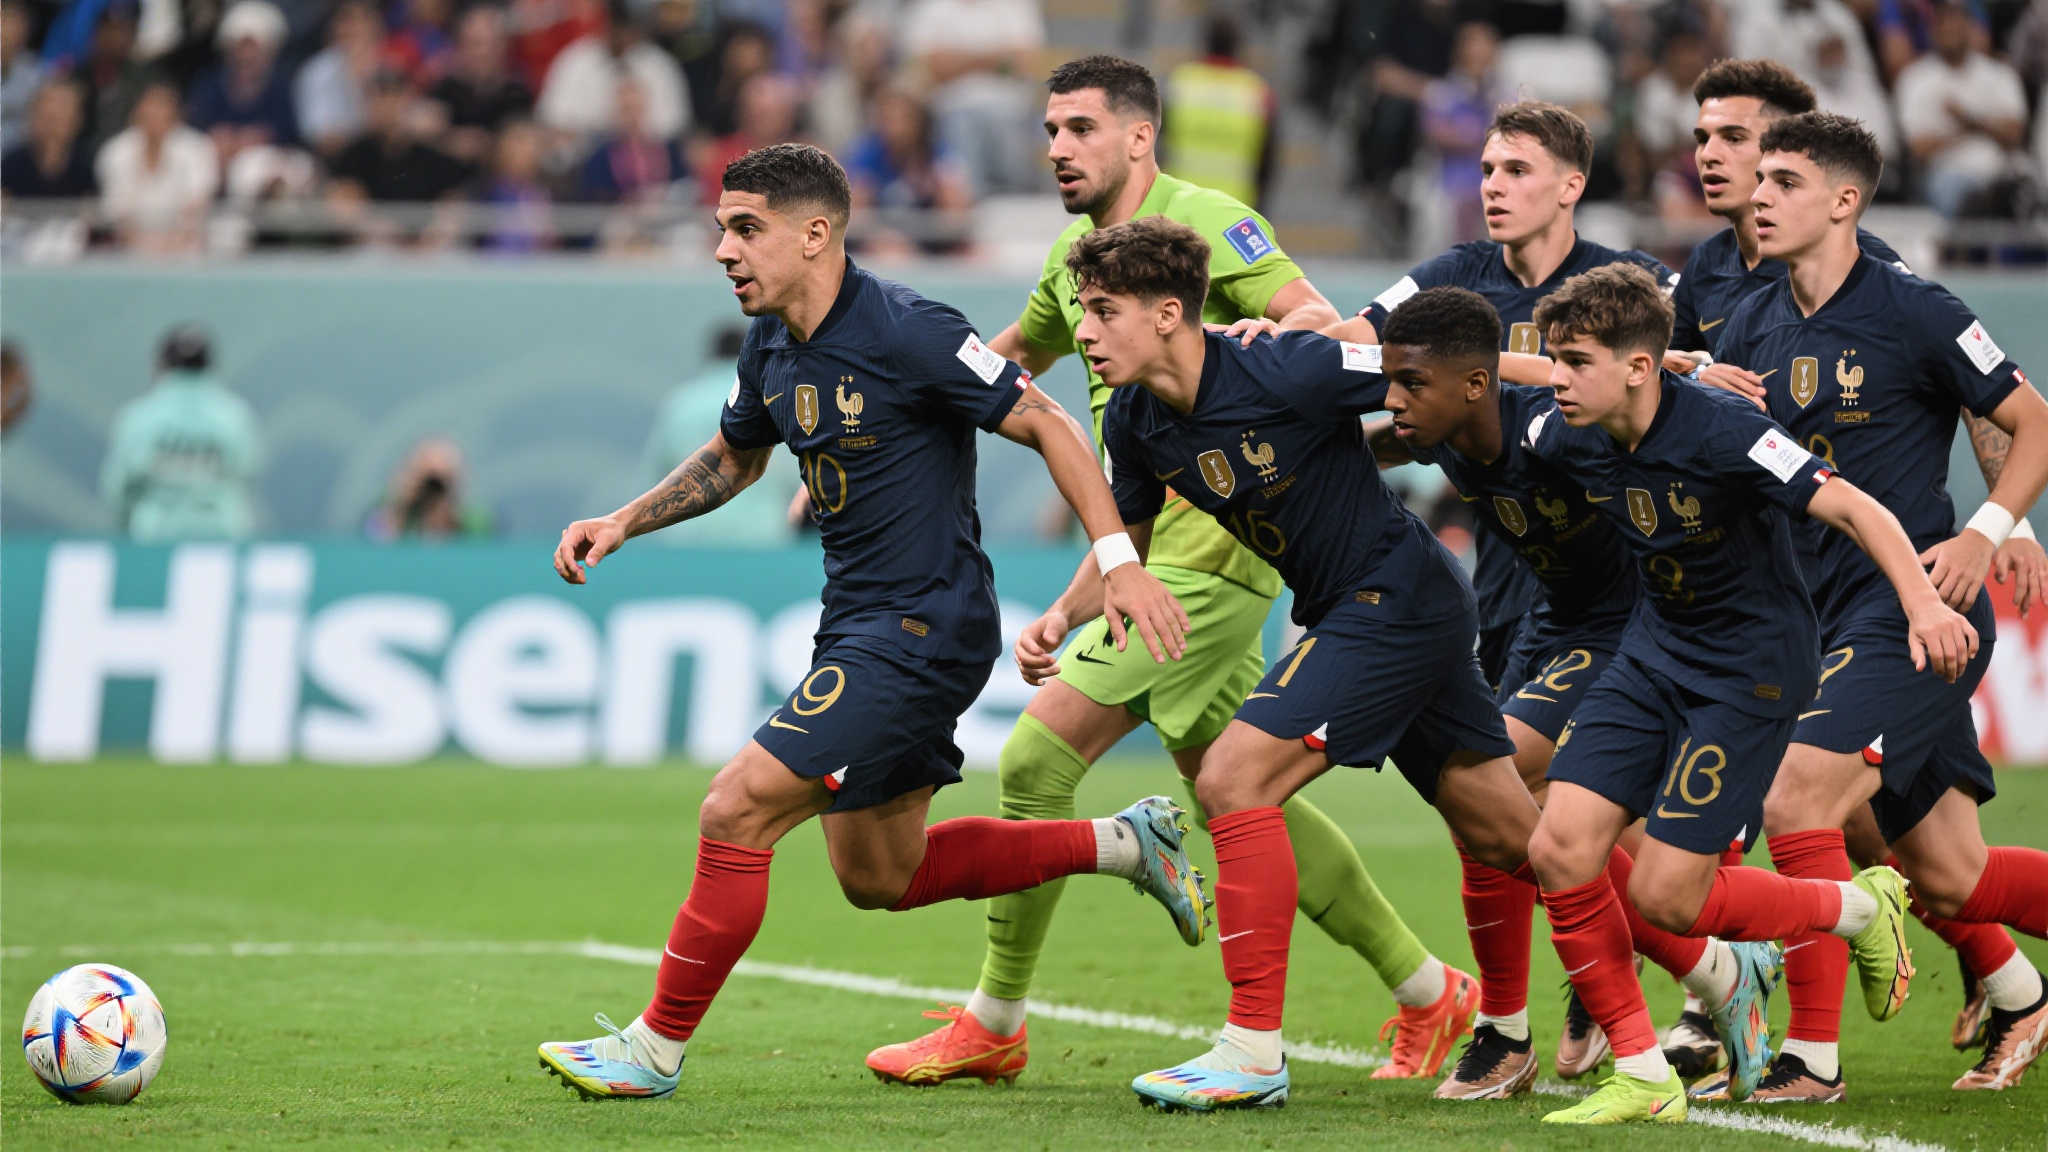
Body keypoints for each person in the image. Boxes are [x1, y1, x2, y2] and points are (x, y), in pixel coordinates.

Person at [535, 143, 1206, 1101]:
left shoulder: (909, 329)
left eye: (746, 229)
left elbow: (1051, 423)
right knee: (880, 875)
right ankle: (1127, 843)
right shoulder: (771, 343)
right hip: (857, 622)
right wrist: (624, 521)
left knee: (736, 807)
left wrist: (1118, 562)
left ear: (816, 234)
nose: (724, 250)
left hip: (923, 627)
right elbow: (735, 458)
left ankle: (651, 1049)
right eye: (722, 229)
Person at [865, 56, 1479, 1093]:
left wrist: (1268, 335)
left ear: (1139, 136)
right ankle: (1427, 988)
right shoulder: (1075, 260)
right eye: (1048, 130)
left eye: (1079, 128)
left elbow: (1317, 319)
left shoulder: (1212, 221)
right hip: (1141, 552)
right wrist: (901, 416)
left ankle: (995, 1018)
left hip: (1216, 553)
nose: (1056, 148)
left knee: (1036, 760)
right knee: (1232, 789)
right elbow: (1013, 362)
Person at [1052, 216, 1555, 1115]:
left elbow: (1449, 370)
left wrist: (1612, 382)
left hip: (1394, 597)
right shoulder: (1132, 417)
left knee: (1232, 777)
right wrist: (1062, 615)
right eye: (1082, 311)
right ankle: (1718, 957)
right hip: (1368, 609)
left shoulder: (1286, 366)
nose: (1084, 332)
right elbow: (1125, 545)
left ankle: (1251, 1051)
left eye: (1102, 310)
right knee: (1517, 841)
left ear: (1167, 314)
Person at [1670, 57, 2046, 1091]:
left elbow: (2029, 420)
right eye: (1759, 180)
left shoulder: (1912, 305)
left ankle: (1811, 1057)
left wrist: (1987, 531)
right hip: (1807, 618)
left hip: (1910, 613)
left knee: (1797, 801)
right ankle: (2025, 996)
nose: (1758, 194)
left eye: (1782, 181)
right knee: (1950, 876)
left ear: (1843, 201)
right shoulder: (1749, 321)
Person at [1520, 261, 1969, 1122]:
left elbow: (1855, 508)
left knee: (1666, 898)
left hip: (1749, 670)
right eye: (1554, 360)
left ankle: (1856, 907)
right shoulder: (1564, 429)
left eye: (1574, 362)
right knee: (1560, 849)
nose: (1558, 379)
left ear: (1638, 368)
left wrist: (1922, 605)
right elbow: (1489, 386)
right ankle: (1643, 1077)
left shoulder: (1727, 431)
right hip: (1651, 653)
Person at [1333, 99, 1684, 1081]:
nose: (1491, 185)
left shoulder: (1626, 286)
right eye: (1486, 168)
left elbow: (1679, 393)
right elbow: (1355, 344)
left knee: (1556, 803)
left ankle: (1631, 989)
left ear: (1571, 185)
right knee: (1495, 812)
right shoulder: (1452, 279)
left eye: (1516, 169)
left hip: (1625, 597)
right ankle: (1564, 1004)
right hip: (1513, 592)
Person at [1370, 286, 1776, 1102]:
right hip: (1549, 622)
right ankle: (1706, 970)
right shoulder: (1437, 428)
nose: (1396, 401)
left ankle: (1532, 1023)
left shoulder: (1555, 428)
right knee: (1503, 816)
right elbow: (1388, 409)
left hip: (1628, 622)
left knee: (1490, 776)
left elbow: (1647, 425)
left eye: (1412, 385)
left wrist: (1679, 377)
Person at [637, 325, 798, 546]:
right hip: (761, 539)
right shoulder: (772, 399)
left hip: (687, 541)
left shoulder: (681, 404)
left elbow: (656, 474)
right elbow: (796, 476)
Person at [101, 325, 263, 540]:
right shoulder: (235, 417)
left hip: (154, 538)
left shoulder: (139, 417)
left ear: (161, 365)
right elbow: (247, 473)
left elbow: (120, 489)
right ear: (210, 366)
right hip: (220, 538)